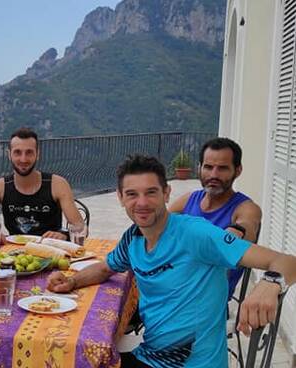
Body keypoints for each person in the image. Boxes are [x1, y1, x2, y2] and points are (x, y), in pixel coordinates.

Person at [47, 155, 295, 367]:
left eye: (151, 192)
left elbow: (286, 261)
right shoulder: (133, 238)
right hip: (150, 356)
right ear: (121, 198)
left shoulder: (196, 234)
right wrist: (71, 281)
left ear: (166, 193)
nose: (141, 203)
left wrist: (271, 283)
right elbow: (105, 267)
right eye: (132, 194)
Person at [169, 138, 261, 299]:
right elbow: (159, 228)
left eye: (223, 168)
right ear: (200, 168)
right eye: (208, 167)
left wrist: (233, 234)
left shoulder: (245, 207)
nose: (214, 175)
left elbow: (246, 226)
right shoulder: (189, 200)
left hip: (204, 303)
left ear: (237, 170)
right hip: (171, 286)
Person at [0, 127, 84, 240]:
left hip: (51, 251)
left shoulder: (57, 184)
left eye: (29, 153)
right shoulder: (0, 187)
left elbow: (80, 226)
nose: (23, 159)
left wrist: (63, 234)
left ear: (37, 154)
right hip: (14, 253)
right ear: (9, 155)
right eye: (17, 152)